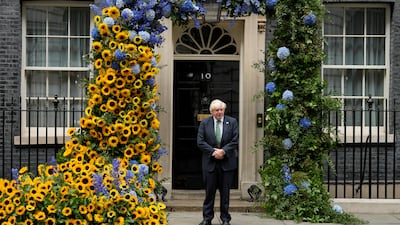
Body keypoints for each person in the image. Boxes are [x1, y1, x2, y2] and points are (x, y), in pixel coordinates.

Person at [197, 99, 239, 225]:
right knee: (209, 193)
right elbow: (200, 142)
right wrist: (214, 152)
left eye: (221, 110)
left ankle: (225, 219)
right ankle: (207, 218)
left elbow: (235, 140)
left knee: (225, 194)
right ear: (212, 112)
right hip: (210, 164)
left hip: (227, 164)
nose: (219, 112)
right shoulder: (205, 123)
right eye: (216, 110)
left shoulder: (232, 122)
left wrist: (223, 151)